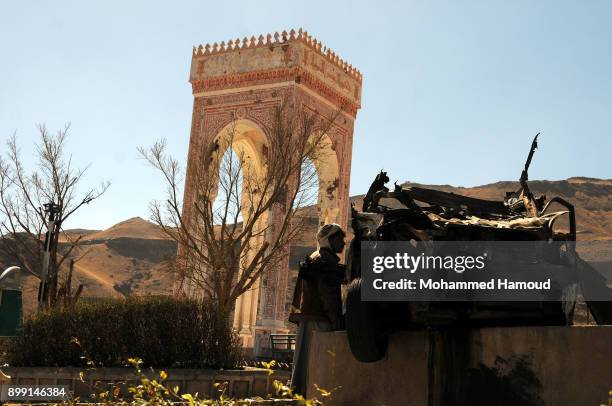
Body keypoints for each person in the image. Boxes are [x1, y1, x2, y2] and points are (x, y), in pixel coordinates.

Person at [289, 223, 347, 395]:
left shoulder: (315, 257)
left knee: (304, 363)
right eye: (339, 238)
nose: (343, 242)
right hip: (320, 321)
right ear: (329, 240)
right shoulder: (324, 260)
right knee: (320, 365)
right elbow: (327, 294)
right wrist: (337, 321)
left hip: (310, 319)